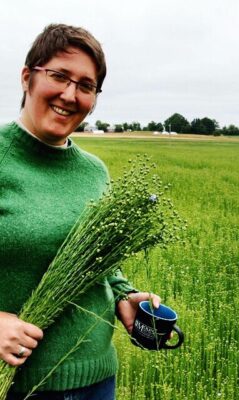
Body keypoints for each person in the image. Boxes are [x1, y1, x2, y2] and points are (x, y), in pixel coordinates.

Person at [0, 24, 160, 400]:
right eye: (58, 76)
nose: (69, 95)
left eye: (86, 86)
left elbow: (98, 259)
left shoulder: (94, 171)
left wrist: (125, 295)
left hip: (97, 379)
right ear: (27, 78)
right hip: (21, 387)